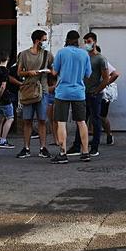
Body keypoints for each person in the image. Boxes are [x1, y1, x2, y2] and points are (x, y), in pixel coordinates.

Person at [51, 30, 91, 164]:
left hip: (62, 92)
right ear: (78, 40)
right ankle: (85, 152)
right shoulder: (84, 54)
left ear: (67, 39)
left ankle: (63, 153)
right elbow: (88, 74)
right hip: (79, 92)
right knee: (81, 122)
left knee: (61, 122)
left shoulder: (61, 52)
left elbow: (54, 71)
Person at [16, 30, 54, 159]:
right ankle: (26, 147)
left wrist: (50, 73)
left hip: (42, 90)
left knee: (42, 120)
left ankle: (43, 147)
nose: (45, 42)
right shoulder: (24, 54)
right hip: (28, 90)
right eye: (44, 39)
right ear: (37, 41)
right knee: (27, 120)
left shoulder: (47, 55)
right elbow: (19, 72)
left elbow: (54, 71)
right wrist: (29, 73)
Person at [81, 32, 115, 155]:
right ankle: (80, 145)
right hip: (84, 93)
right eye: (85, 42)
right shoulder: (84, 57)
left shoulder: (101, 58)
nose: (86, 44)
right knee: (82, 120)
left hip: (95, 94)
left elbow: (106, 78)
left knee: (96, 120)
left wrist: (97, 90)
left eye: (89, 41)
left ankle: (95, 147)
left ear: (95, 42)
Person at [97, 46, 120, 145]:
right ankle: (95, 137)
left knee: (102, 116)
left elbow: (115, 74)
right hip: (94, 91)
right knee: (94, 116)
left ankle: (109, 134)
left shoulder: (103, 62)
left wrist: (104, 84)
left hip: (103, 94)